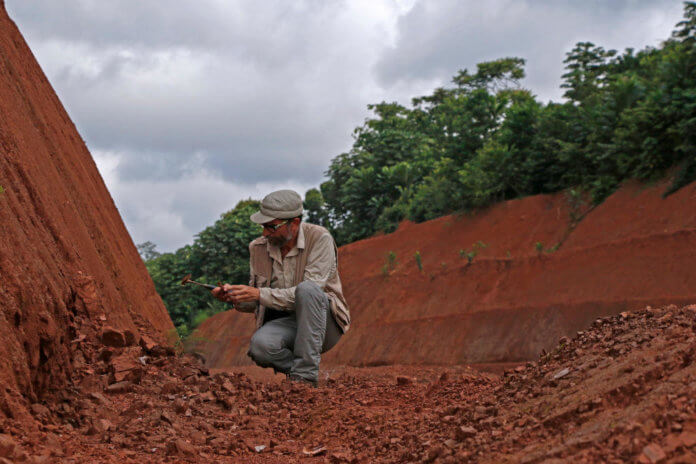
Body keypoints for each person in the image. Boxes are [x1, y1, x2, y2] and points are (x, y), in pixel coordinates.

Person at [212, 189, 350, 387]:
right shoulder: (257, 248)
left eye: (271, 226)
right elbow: (257, 300)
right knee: (261, 347)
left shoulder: (320, 239)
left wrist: (259, 294)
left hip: (324, 324)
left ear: (293, 223)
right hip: (286, 323)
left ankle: (305, 380)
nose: (265, 233)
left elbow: (310, 292)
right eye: (263, 226)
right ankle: (300, 375)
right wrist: (235, 297)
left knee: (307, 290)